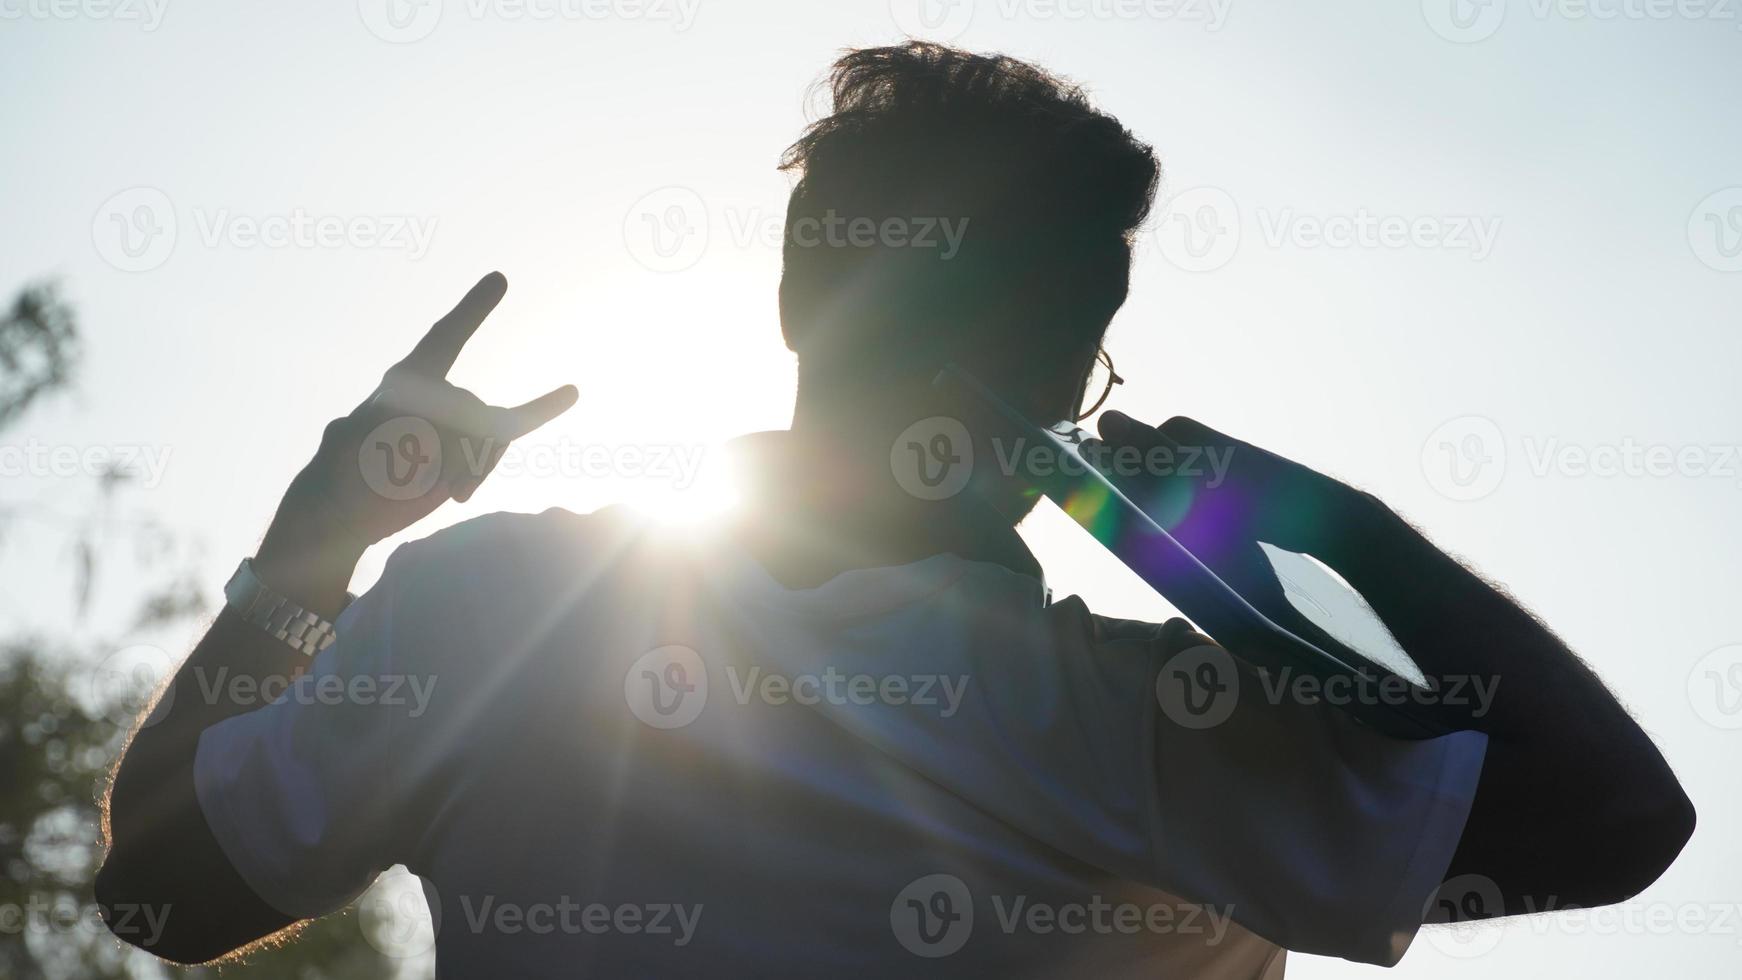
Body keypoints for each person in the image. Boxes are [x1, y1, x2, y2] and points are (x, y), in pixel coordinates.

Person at [97, 42, 1693, 977]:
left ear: (803, 291)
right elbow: (1616, 822)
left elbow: (163, 890)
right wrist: (1329, 532)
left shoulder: (498, 611)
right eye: (1067, 326)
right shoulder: (1120, 718)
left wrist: (319, 536)